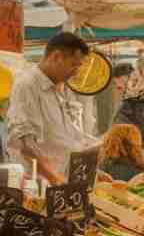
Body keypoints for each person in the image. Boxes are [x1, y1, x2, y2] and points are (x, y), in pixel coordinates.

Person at [7, 32, 97, 186]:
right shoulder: (27, 85)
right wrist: (54, 178)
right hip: (39, 184)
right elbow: (24, 143)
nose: (76, 72)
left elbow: (67, 139)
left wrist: (92, 171)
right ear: (56, 57)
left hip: (61, 181)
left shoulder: (56, 89)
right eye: (73, 65)